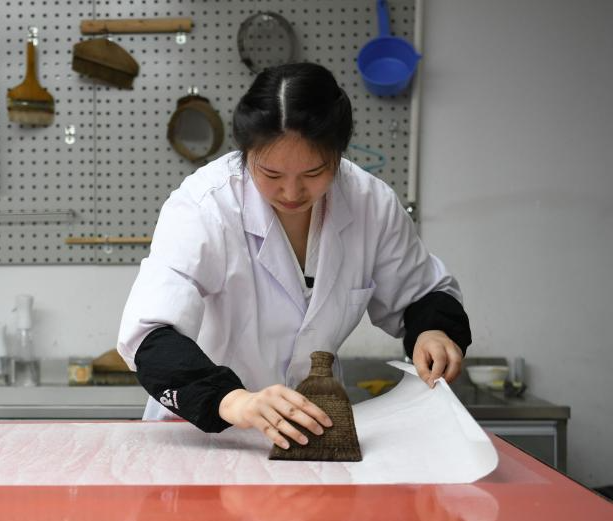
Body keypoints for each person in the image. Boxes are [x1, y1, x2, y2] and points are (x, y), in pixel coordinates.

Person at [117, 62, 472, 449]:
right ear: (246, 152)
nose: (291, 192)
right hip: (206, 429)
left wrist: (433, 331)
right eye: (271, 174)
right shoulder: (205, 205)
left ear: (338, 153)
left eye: (314, 173)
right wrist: (235, 401)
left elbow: (423, 293)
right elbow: (149, 335)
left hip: (310, 431)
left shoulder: (370, 203)